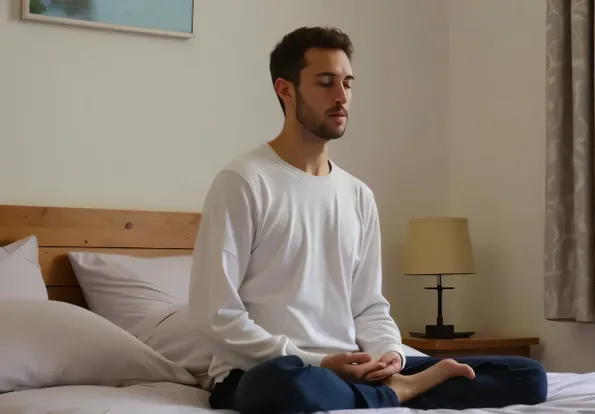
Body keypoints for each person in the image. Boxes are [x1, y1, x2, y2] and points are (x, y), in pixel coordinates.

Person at [188, 26, 548, 414]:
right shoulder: (244, 182)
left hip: (353, 368)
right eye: (325, 83)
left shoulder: (357, 194)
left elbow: (369, 307)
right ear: (286, 90)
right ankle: (401, 393)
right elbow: (215, 317)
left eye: (347, 83)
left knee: (526, 374)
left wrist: (389, 354)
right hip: (270, 371)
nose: (341, 97)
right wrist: (319, 361)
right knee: (279, 388)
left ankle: (392, 385)